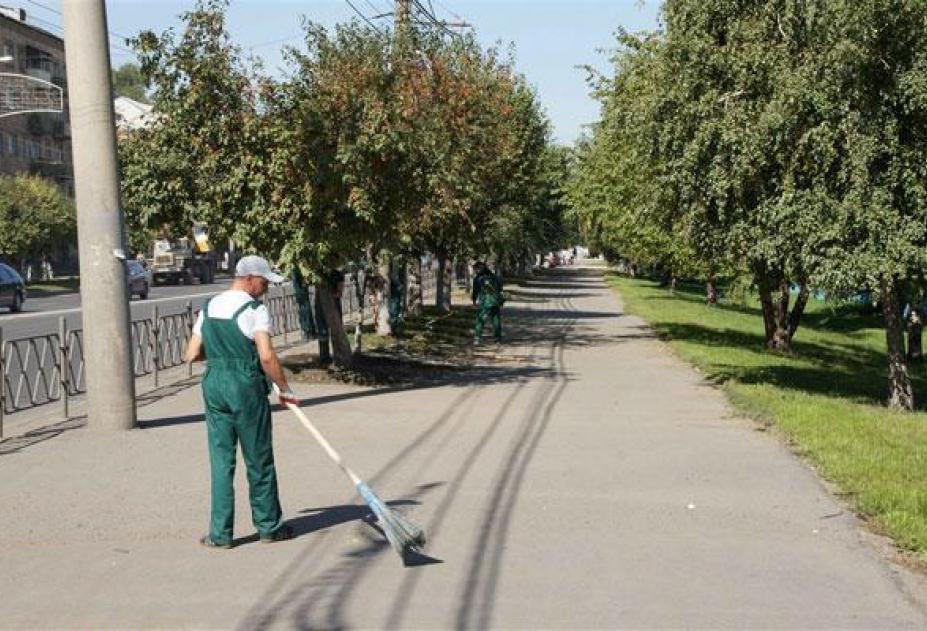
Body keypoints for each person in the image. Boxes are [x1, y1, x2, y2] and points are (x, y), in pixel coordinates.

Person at [184, 255, 299, 549]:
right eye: (264, 282)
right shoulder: (255, 310)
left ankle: (220, 534)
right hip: (245, 387)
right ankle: (269, 527)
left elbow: (191, 354)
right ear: (249, 278)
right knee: (258, 459)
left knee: (221, 462)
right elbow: (266, 356)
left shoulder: (209, 307)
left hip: (214, 385)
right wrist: (284, 387)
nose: (266, 289)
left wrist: (222, 357)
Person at [471, 261, 505, 344]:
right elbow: (500, 288)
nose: (476, 271)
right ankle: (497, 339)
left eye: (476, 269)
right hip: (495, 301)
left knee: (480, 319)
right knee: (496, 320)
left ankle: (477, 337)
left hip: (485, 302)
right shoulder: (494, 277)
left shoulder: (478, 278)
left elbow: (475, 291)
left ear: (479, 269)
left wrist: (474, 301)